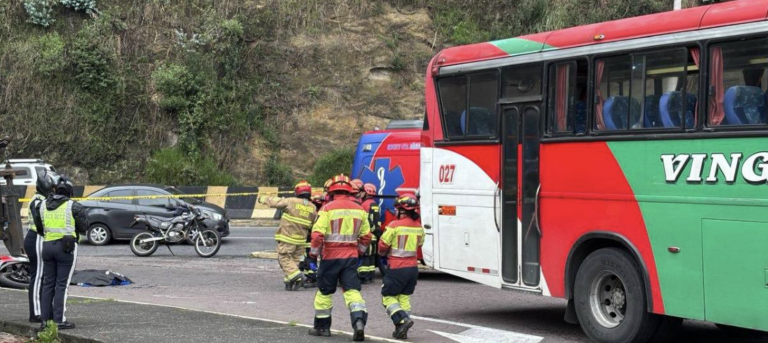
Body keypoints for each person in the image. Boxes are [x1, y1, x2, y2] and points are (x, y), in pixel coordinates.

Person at [308, 174, 372, 341]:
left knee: (325, 292)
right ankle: (358, 321)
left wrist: (313, 256)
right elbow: (366, 236)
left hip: (330, 257)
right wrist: (360, 252)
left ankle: (322, 328)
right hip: (350, 257)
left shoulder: (327, 209)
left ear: (331, 191)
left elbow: (317, 236)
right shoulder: (360, 209)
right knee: (352, 290)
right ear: (350, 191)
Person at [32, 176, 88, 330]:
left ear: (55, 189)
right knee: (61, 284)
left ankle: (44, 321)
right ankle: (59, 320)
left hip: (47, 246)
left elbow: (39, 227)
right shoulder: (73, 206)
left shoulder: (42, 205)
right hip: (66, 247)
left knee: (48, 283)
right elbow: (84, 227)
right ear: (70, 191)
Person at [378, 193, 424, 340]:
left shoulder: (394, 225)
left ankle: (402, 320)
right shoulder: (418, 227)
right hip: (412, 269)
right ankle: (401, 330)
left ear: (401, 210)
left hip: (397, 267)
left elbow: (382, 246)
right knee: (404, 298)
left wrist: (382, 254)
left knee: (388, 297)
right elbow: (420, 244)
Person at [259, 181, 317, 291]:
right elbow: (314, 223)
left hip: (287, 237)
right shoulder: (313, 207)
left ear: (297, 192)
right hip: (301, 240)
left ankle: (298, 276)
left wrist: (262, 199)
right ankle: (290, 282)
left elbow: (275, 202)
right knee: (294, 260)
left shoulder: (291, 201)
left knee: (283, 258)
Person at [24, 170, 56, 323]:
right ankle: (35, 312)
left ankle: (43, 310)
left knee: (43, 276)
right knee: (37, 276)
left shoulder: (43, 199)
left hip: (40, 238)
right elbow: (40, 223)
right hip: (36, 237)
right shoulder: (38, 201)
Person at [300, 193, 327, 288]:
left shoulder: (312, 210)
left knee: (310, 257)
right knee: (323, 258)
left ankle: (311, 278)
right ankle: (320, 277)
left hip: (312, 238)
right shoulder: (325, 208)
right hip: (324, 237)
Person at [357, 183, 380, 284]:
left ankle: (364, 276)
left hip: (368, 234)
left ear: (366, 193)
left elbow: (367, 222)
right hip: (374, 235)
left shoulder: (365, 204)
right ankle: (370, 275)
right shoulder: (374, 203)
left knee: (365, 255)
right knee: (371, 256)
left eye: (361, 192)